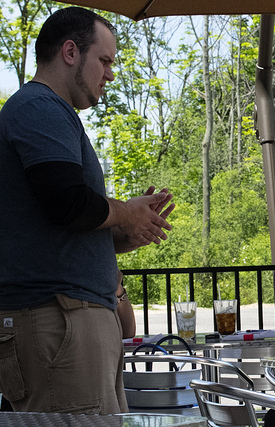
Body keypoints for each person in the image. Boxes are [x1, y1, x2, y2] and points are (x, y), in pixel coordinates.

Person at [0, 7, 175, 415]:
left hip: (68, 323)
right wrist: (124, 212)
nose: (110, 75)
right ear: (70, 52)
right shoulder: (39, 107)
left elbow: (60, 219)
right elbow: (67, 203)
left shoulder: (48, 111)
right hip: (58, 324)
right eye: (105, 60)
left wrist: (126, 233)